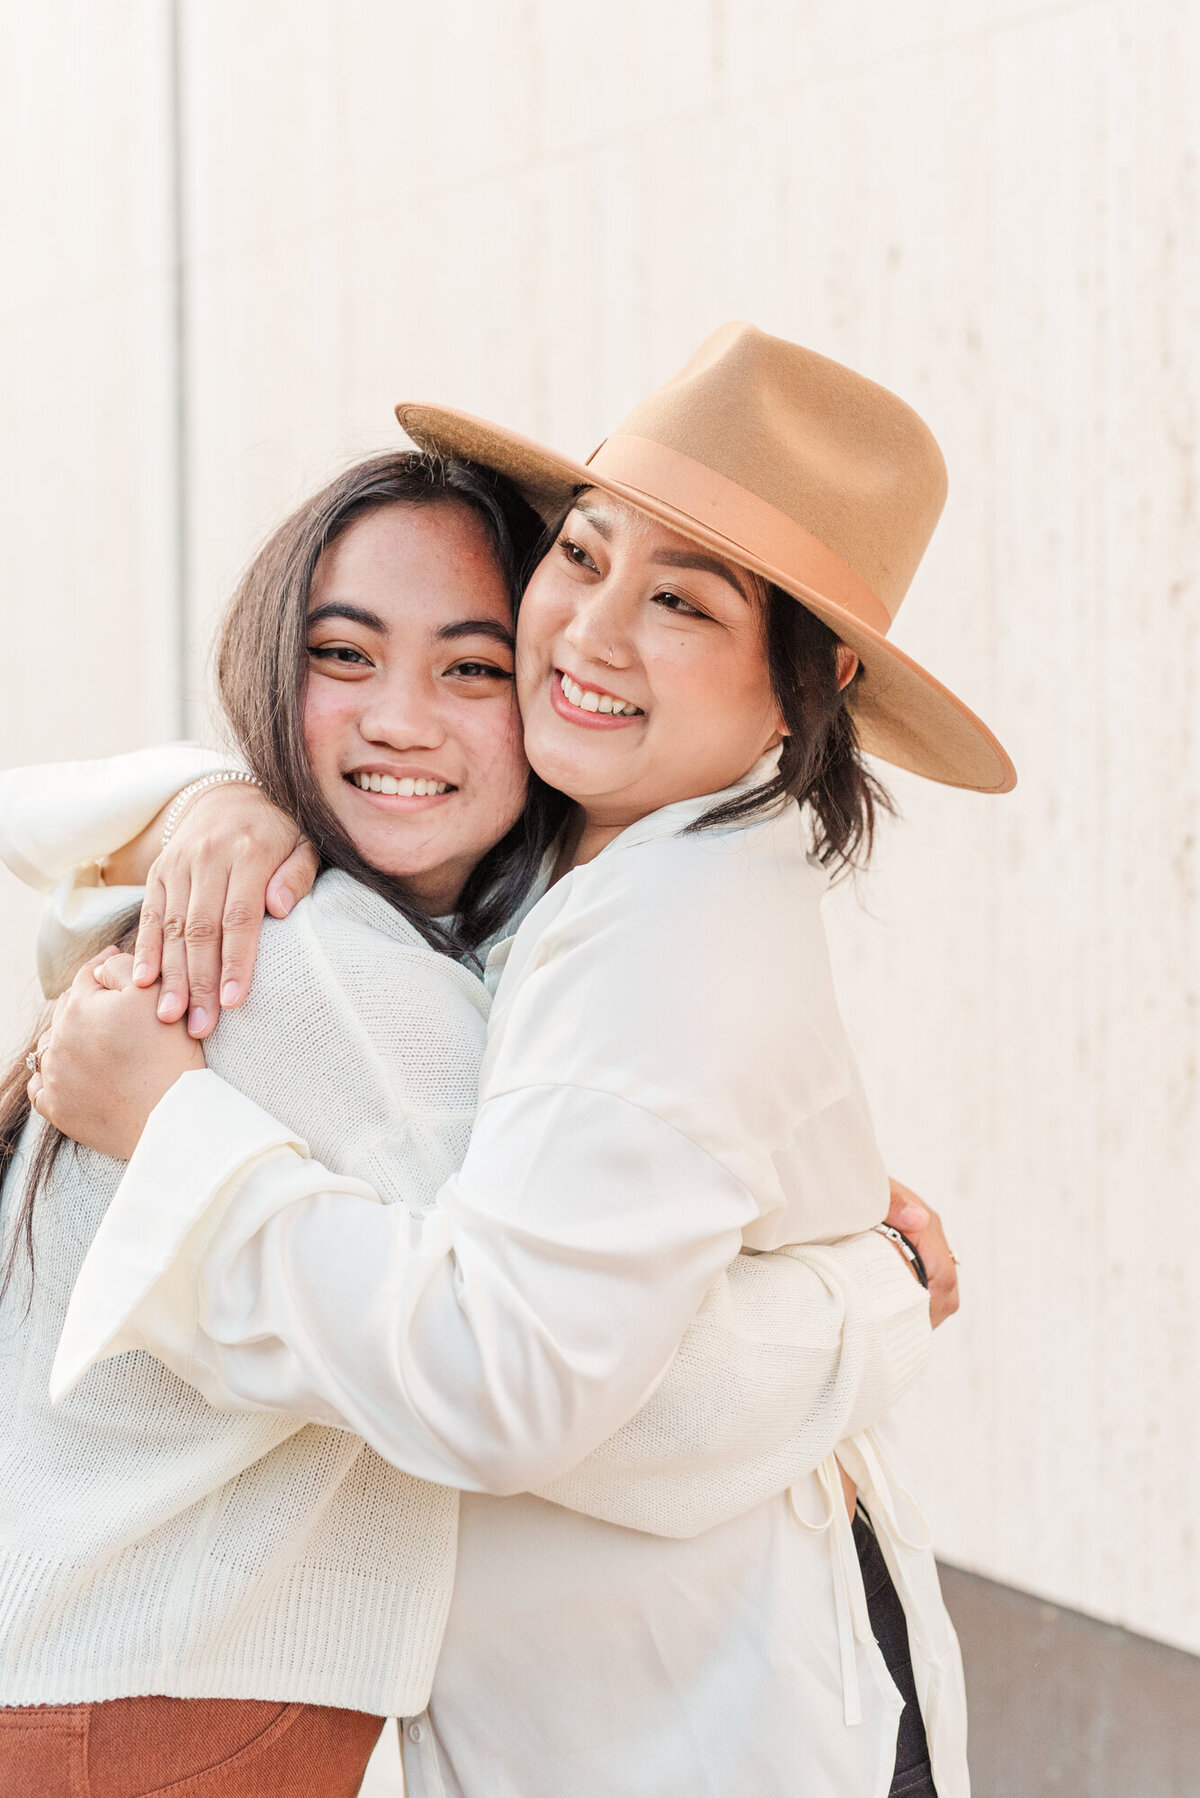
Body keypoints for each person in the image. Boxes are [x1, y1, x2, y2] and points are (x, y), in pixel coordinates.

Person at [24, 324, 1008, 1796]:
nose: (594, 634)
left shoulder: (650, 932)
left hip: (716, 1717)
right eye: (587, 556)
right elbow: (544, 1378)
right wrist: (868, 1297)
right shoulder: (415, 927)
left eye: (680, 600)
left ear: (807, 684)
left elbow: (535, 1383)